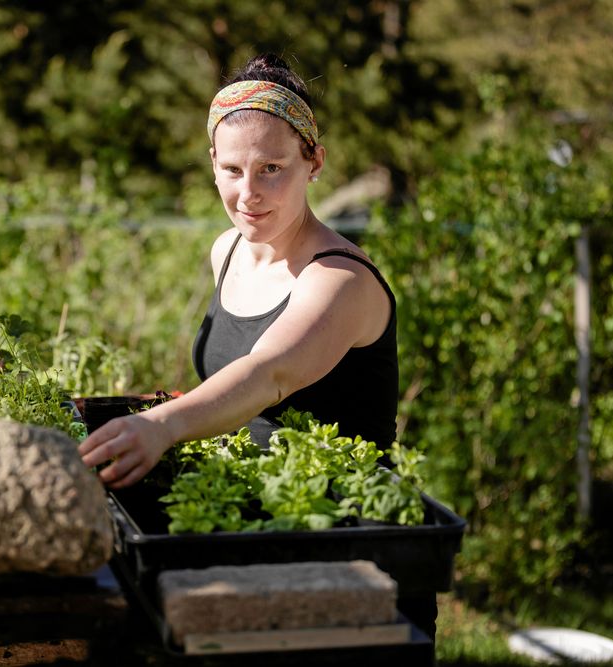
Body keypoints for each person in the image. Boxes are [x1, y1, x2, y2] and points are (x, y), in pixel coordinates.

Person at [78, 53, 441, 640]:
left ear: (314, 161)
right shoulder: (226, 251)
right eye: (231, 170)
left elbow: (268, 374)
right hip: (252, 525)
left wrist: (163, 426)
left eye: (271, 167)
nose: (248, 193)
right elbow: (228, 381)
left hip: (345, 553)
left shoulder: (339, 279)